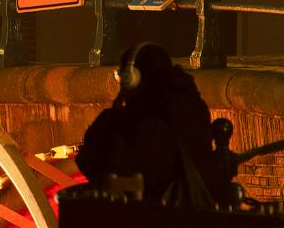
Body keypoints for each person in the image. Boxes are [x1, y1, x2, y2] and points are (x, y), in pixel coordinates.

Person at [76, 41, 227, 204]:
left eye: (121, 75)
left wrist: (114, 115)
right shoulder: (193, 108)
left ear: (132, 77)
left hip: (148, 218)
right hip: (195, 213)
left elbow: (88, 160)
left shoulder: (134, 123)